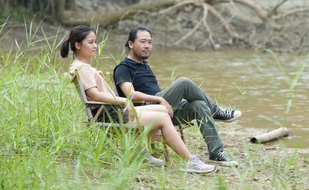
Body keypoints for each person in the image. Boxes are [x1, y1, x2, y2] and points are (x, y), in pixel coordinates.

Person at [60, 25, 215, 174]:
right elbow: (95, 95)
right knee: (162, 117)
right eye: (91, 42)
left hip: (110, 111)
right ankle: (189, 161)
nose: (95, 45)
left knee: (162, 109)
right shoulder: (82, 67)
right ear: (78, 45)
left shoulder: (82, 66)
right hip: (110, 114)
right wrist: (124, 101)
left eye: (95, 41)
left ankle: (143, 152)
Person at [113, 26, 241, 167]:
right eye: (143, 42)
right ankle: (216, 111)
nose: (147, 46)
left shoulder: (144, 66)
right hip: (146, 111)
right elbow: (131, 95)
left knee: (200, 105)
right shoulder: (123, 68)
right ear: (131, 44)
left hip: (163, 110)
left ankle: (216, 153)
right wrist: (160, 99)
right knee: (184, 82)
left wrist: (166, 101)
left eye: (150, 42)